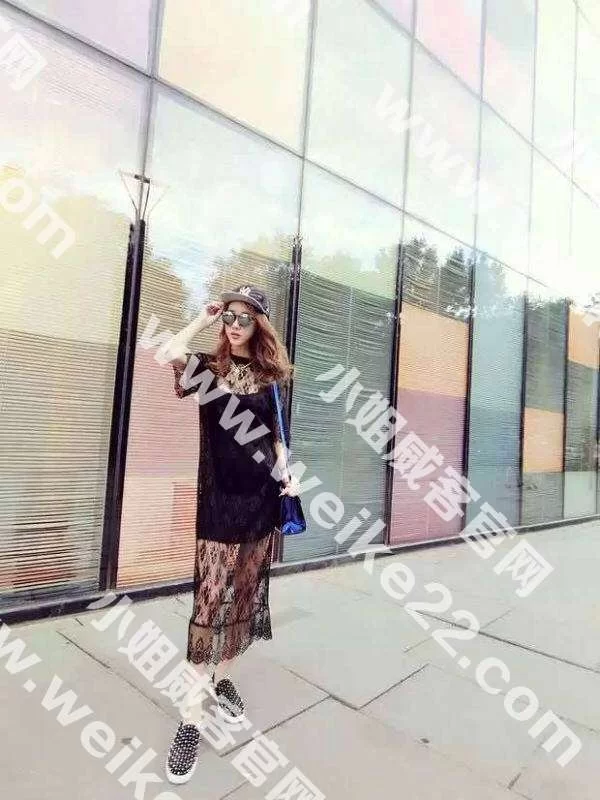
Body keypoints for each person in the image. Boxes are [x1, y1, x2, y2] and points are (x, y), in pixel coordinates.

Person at [161, 284, 300, 784]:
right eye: (230, 316)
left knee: (243, 599)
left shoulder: (270, 378)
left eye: (246, 316)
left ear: (260, 324)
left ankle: (223, 682)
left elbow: (277, 438)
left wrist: (287, 473)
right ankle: (189, 721)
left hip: (259, 504)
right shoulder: (209, 369)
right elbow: (167, 351)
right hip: (219, 505)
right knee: (208, 606)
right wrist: (202, 317)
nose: (236, 324)